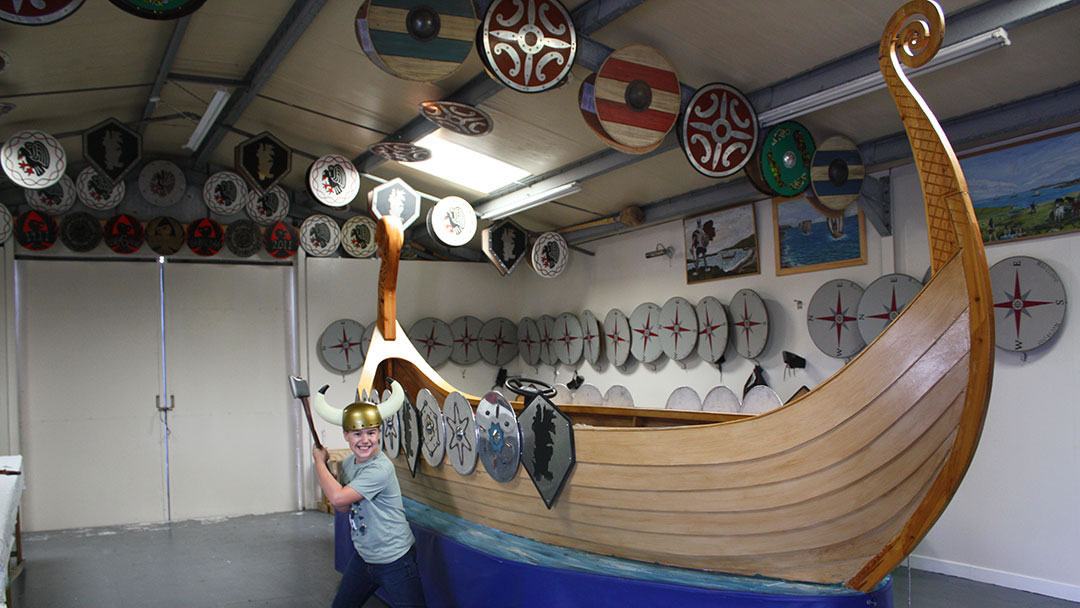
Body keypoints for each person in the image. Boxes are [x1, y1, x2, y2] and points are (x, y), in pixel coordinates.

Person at [311, 381, 427, 608]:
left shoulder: (380, 468)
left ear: (379, 432)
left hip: (395, 560)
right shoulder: (348, 464)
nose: (365, 440)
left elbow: (338, 499)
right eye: (357, 434)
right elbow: (343, 508)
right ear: (346, 435)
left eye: (371, 433)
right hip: (365, 558)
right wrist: (328, 469)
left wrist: (319, 463)